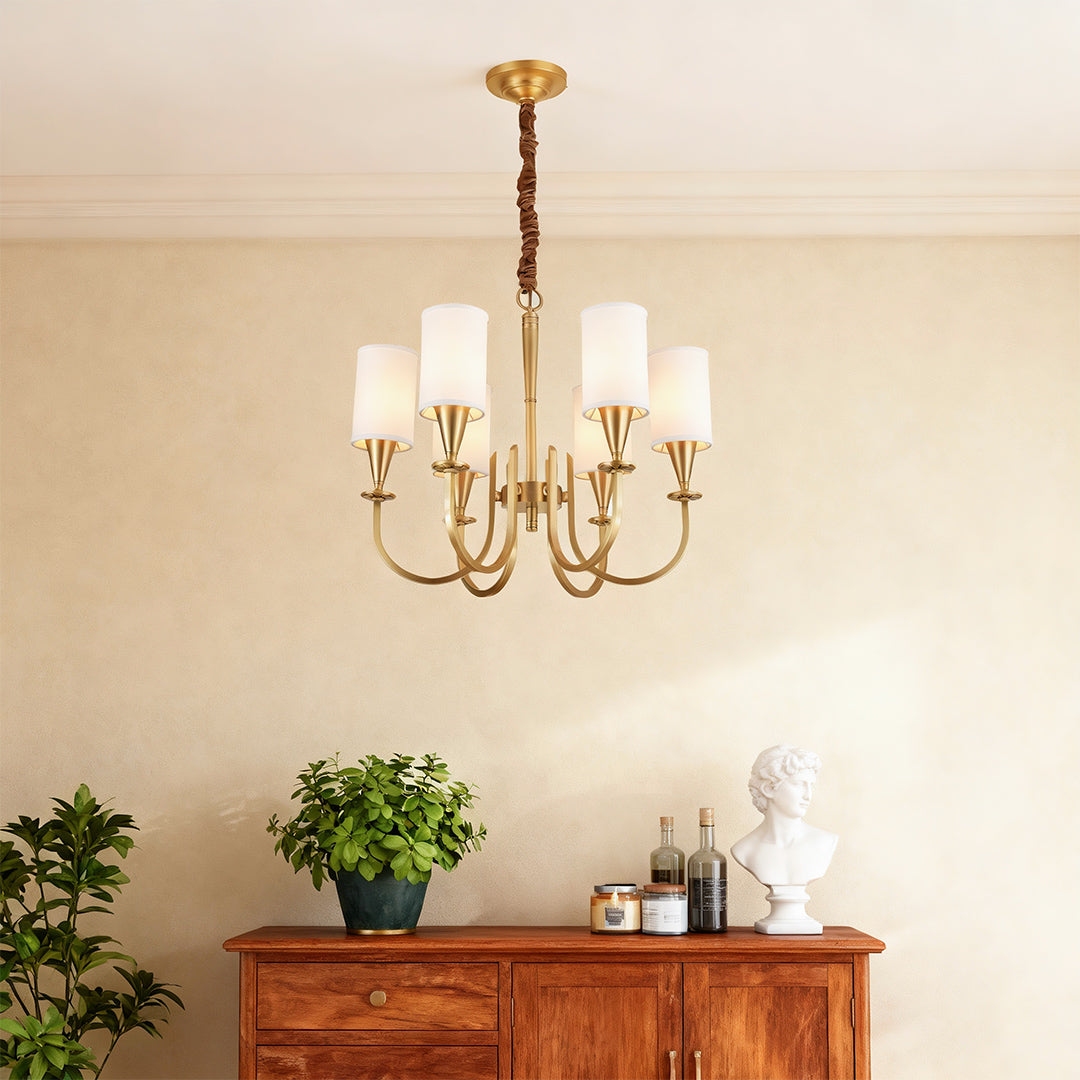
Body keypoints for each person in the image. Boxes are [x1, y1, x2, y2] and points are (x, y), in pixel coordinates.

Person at [731, 745, 838, 888]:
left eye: (811, 786)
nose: (808, 796)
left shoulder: (824, 842)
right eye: (799, 784)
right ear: (768, 788)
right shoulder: (744, 849)